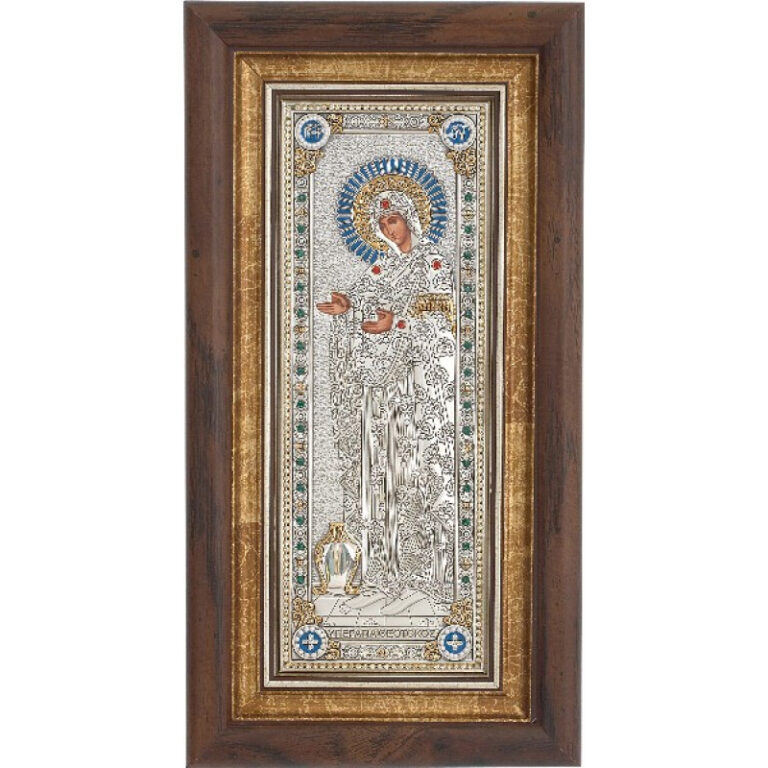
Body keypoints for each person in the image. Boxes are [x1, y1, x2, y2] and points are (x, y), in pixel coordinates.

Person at [316, 189, 456, 603]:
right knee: (386, 468)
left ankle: (432, 570)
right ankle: (388, 566)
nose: (387, 229)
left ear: (409, 218)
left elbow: (446, 312)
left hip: (419, 384)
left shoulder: (433, 262)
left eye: (392, 220)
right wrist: (347, 306)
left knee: (417, 466)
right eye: (381, 224)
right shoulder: (383, 266)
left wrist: (397, 323)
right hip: (384, 386)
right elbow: (363, 297)